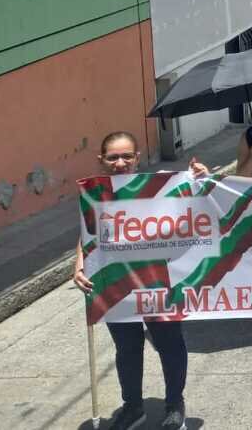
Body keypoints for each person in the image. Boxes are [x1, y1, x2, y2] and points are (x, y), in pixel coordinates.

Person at [73, 131, 209, 430]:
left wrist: (200, 177)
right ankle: (133, 407)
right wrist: (80, 265)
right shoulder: (96, 194)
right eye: (112, 157)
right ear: (101, 160)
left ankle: (175, 405)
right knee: (127, 348)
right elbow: (88, 234)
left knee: (169, 343)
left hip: (158, 281)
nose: (120, 163)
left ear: (137, 158)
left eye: (126, 156)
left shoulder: (160, 185)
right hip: (115, 282)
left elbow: (197, 200)